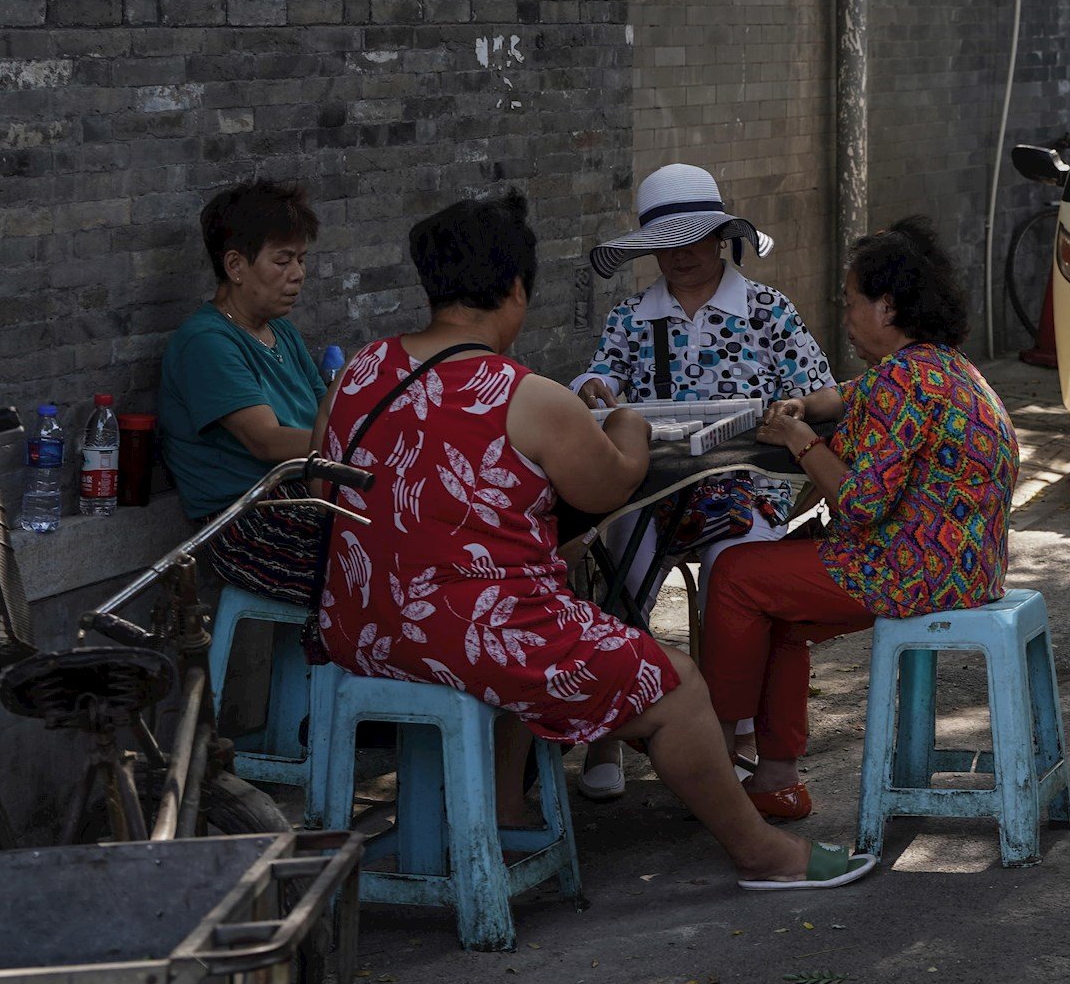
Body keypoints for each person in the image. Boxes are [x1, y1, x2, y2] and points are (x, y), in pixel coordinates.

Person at [313, 190, 873, 891]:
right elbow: (609, 487)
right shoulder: (526, 394)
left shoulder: (355, 373)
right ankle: (762, 853)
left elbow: (326, 486)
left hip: (357, 628)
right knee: (676, 683)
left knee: (552, 587)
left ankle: (510, 806)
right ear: (516, 290)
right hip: (471, 638)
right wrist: (629, 430)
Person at [702, 218, 1019, 822]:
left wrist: (797, 438)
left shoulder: (906, 380)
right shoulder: (945, 367)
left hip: (911, 569)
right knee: (781, 603)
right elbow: (847, 394)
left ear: (888, 306)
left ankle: (715, 754)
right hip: (969, 567)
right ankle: (775, 779)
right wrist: (806, 405)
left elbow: (861, 504)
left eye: (851, 304)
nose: (845, 316)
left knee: (739, 573)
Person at [567, 164, 837, 800]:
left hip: (745, 485)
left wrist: (793, 411)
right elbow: (596, 379)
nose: (680, 257)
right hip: (650, 485)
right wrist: (594, 390)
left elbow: (821, 391)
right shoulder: (634, 315)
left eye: (693, 240)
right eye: (666, 245)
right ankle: (610, 729)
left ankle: (729, 726)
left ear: (720, 238)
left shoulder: (768, 311)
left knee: (734, 568)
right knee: (623, 567)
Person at [159, 179, 330, 601]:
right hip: (250, 521)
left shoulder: (282, 333)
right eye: (283, 260)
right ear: (235, 266)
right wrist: (359, 445)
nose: (298, 274)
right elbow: (266, 441)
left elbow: (327, 410)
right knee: (390, 557)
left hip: (304, 494)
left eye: (302, 259)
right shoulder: (207, 342)